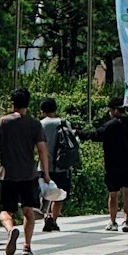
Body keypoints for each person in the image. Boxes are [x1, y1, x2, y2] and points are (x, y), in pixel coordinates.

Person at [0, 87, 51, 255]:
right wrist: (45, 173)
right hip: (28, 174)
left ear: (13, 103)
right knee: (28, 210)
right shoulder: (34, 124)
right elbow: (42, 149)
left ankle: (10, 230)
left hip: (7, 174)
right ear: (28, 104)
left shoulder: (2, 122)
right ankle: (27, 246)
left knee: (5, 211)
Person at [81, 95, 128, 232]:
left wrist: (77, 132)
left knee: (113, 194)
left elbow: (95, 135)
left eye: (110, 110)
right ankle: (126, 221)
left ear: (115, 110)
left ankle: (113, 222)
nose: (110, 113)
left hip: (112, 165)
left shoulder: (110, 125)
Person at [38, 97, 81, 232]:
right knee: (59, 195)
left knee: (45, 193)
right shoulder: (63, 123)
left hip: (44, 166)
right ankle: (54, 219)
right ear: (55, 109)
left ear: (42, 110)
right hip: (61, 165)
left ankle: (46, 215)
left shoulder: (40, 125)